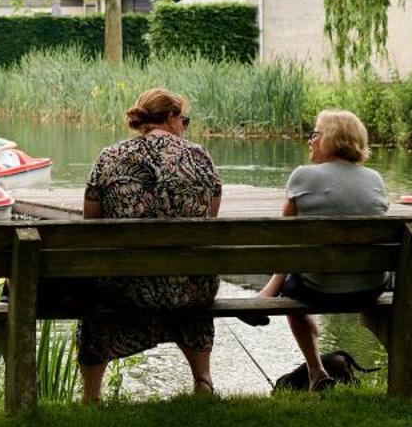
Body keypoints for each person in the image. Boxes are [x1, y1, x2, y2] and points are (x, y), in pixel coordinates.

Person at [76, 87, 222, 401]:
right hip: (190, 288)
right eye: (185, 120)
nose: (185, 127)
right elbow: (209, 222)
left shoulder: (110, 156)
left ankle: (91, 396)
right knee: (193, 272)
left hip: (124, 288)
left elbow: (92, 227)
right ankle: (203, 383)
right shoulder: (200, 157)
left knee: (97, 293)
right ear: (171, 118)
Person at [244, 108, 390, 390]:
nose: (309, 140)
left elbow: (284, 236)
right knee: (296, 268)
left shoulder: (302, 177)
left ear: (332, 138)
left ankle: (316, 371)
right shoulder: (375, 179)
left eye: (315, 134)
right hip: (371, 286)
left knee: (292, 282)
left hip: (320, 287)